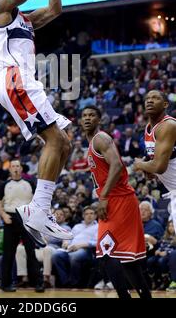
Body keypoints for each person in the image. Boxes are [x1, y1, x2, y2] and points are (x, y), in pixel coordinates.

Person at [0, 0, 72, 246]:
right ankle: (37, 210)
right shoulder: (0, 12)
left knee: (64, 142)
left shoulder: (24, 19)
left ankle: (39, 209)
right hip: (13, 79)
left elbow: (55, 9)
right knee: (55, 142)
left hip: (23, 80)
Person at [81, 105, 151, 299]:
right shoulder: (91, 143)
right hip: (115, 200)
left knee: (105, 254)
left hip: (119, 200)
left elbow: (118, 166)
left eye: (92, 115)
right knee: (126, 259)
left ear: (99, 120)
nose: (87, 118)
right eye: (84, 115)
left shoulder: (101, 138)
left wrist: (102, 197)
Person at [0, 160, 44, 292]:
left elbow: (37, 200)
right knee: (8, 254)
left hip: (27, 219)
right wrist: (4, 216)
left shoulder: (29, 183)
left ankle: (38, 283)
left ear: (21, 168)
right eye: (13, 166)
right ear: (10, 169)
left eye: (18, 166)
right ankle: (5, 284)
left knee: (30, 252)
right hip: (10, 219)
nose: (16, 168)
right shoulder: (5, 185)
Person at [134, 90, 176, 231]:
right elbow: (156, 164)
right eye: (147, 98)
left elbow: (159, 167)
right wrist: (148, 168)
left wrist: (140, 164)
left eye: (155, 98)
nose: (150, 101)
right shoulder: (148, 128)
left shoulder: (168, 125)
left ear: (165, 104)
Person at [51, 206, 98, 288]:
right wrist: (66, 242)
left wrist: (81, 245)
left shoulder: (98, 227)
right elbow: (69, 237)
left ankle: (74, 283)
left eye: (91, 213)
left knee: (74, 256)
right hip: (70, 248)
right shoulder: (77, 226)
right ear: (83, 216)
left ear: (95, 216)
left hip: (86, 250)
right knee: (56, 255)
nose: (89, 215)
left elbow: (98, 242)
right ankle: (65, 282)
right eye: (86, 214)